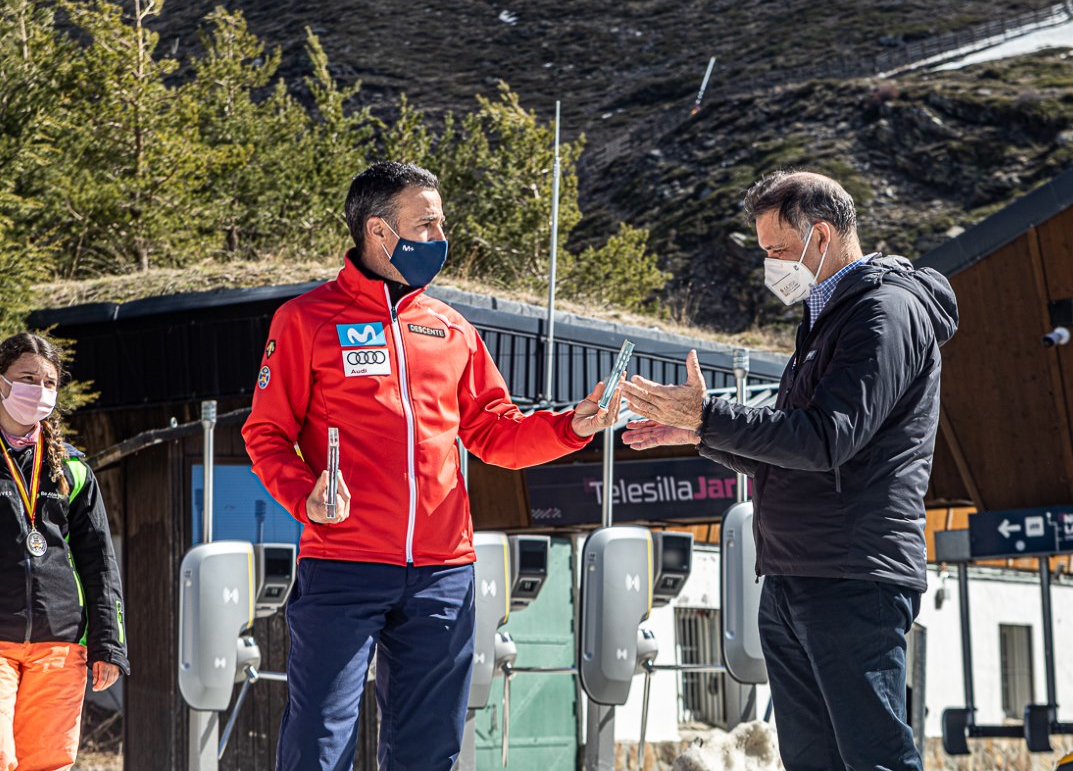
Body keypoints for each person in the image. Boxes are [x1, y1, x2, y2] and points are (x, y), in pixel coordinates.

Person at [242, 161, 622, 771]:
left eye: (440, 223)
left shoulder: (452, 330)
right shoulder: (305, 321)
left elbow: (496, 432)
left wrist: (571, 426)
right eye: (427, 223)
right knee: (317, 743)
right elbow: (265, 433)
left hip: (444, 574)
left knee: (429, 750)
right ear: (378, 232)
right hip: (342, 565)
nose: (440, 238)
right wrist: (304, 495)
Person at [622, 170, 958, 771]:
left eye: (778, 250)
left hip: (851, 573)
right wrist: (700, 429)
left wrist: (712, 414)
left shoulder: (884, 313)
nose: (770, 265)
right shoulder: (829, 316)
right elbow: (791, 453)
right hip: (796, 573)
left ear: (821, 235)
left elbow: (828, 438)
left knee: (873, 757)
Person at [0, 332, 128, 771]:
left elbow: (100, 563)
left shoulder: (70, 468)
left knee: (47, 764)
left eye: (49, 382)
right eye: (27, 377)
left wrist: (109, 644)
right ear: (1, 384)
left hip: (60, 643)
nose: (39, 390)